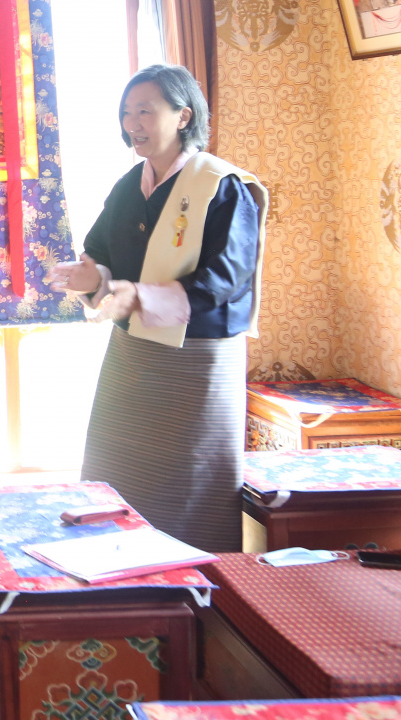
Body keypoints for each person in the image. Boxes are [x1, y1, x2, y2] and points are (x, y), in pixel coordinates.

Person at [48, 64, 268, 552]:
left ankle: (195, 583)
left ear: (183, 116)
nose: (133, 123)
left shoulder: (221, 185)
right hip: (133, 354)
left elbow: (227, 278)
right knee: (117, 472)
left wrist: (141, 296)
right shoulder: (130, 185)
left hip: (197, 361)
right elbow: (100, 254)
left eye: (145, 111)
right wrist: (90, 278)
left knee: (190, 485)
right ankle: (118, 571)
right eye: (127, 113)